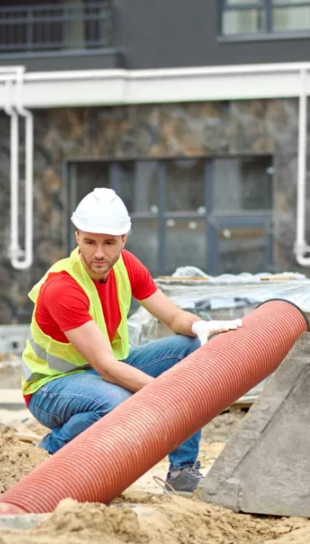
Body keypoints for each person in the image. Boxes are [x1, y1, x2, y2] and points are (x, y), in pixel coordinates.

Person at [21, 188, 242, 494]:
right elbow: (107, 368)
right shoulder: (63, 287)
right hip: (51, 388)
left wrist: (201, 326)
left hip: (102, 372)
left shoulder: (127, 266)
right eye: (90, 242)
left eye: (109, 243)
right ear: (77, 237)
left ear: (124, 239)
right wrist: (171, 395)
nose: (99, 253)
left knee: (190, 349)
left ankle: (182, 472)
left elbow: (175, 319)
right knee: (118, 403)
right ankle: (50, 449)